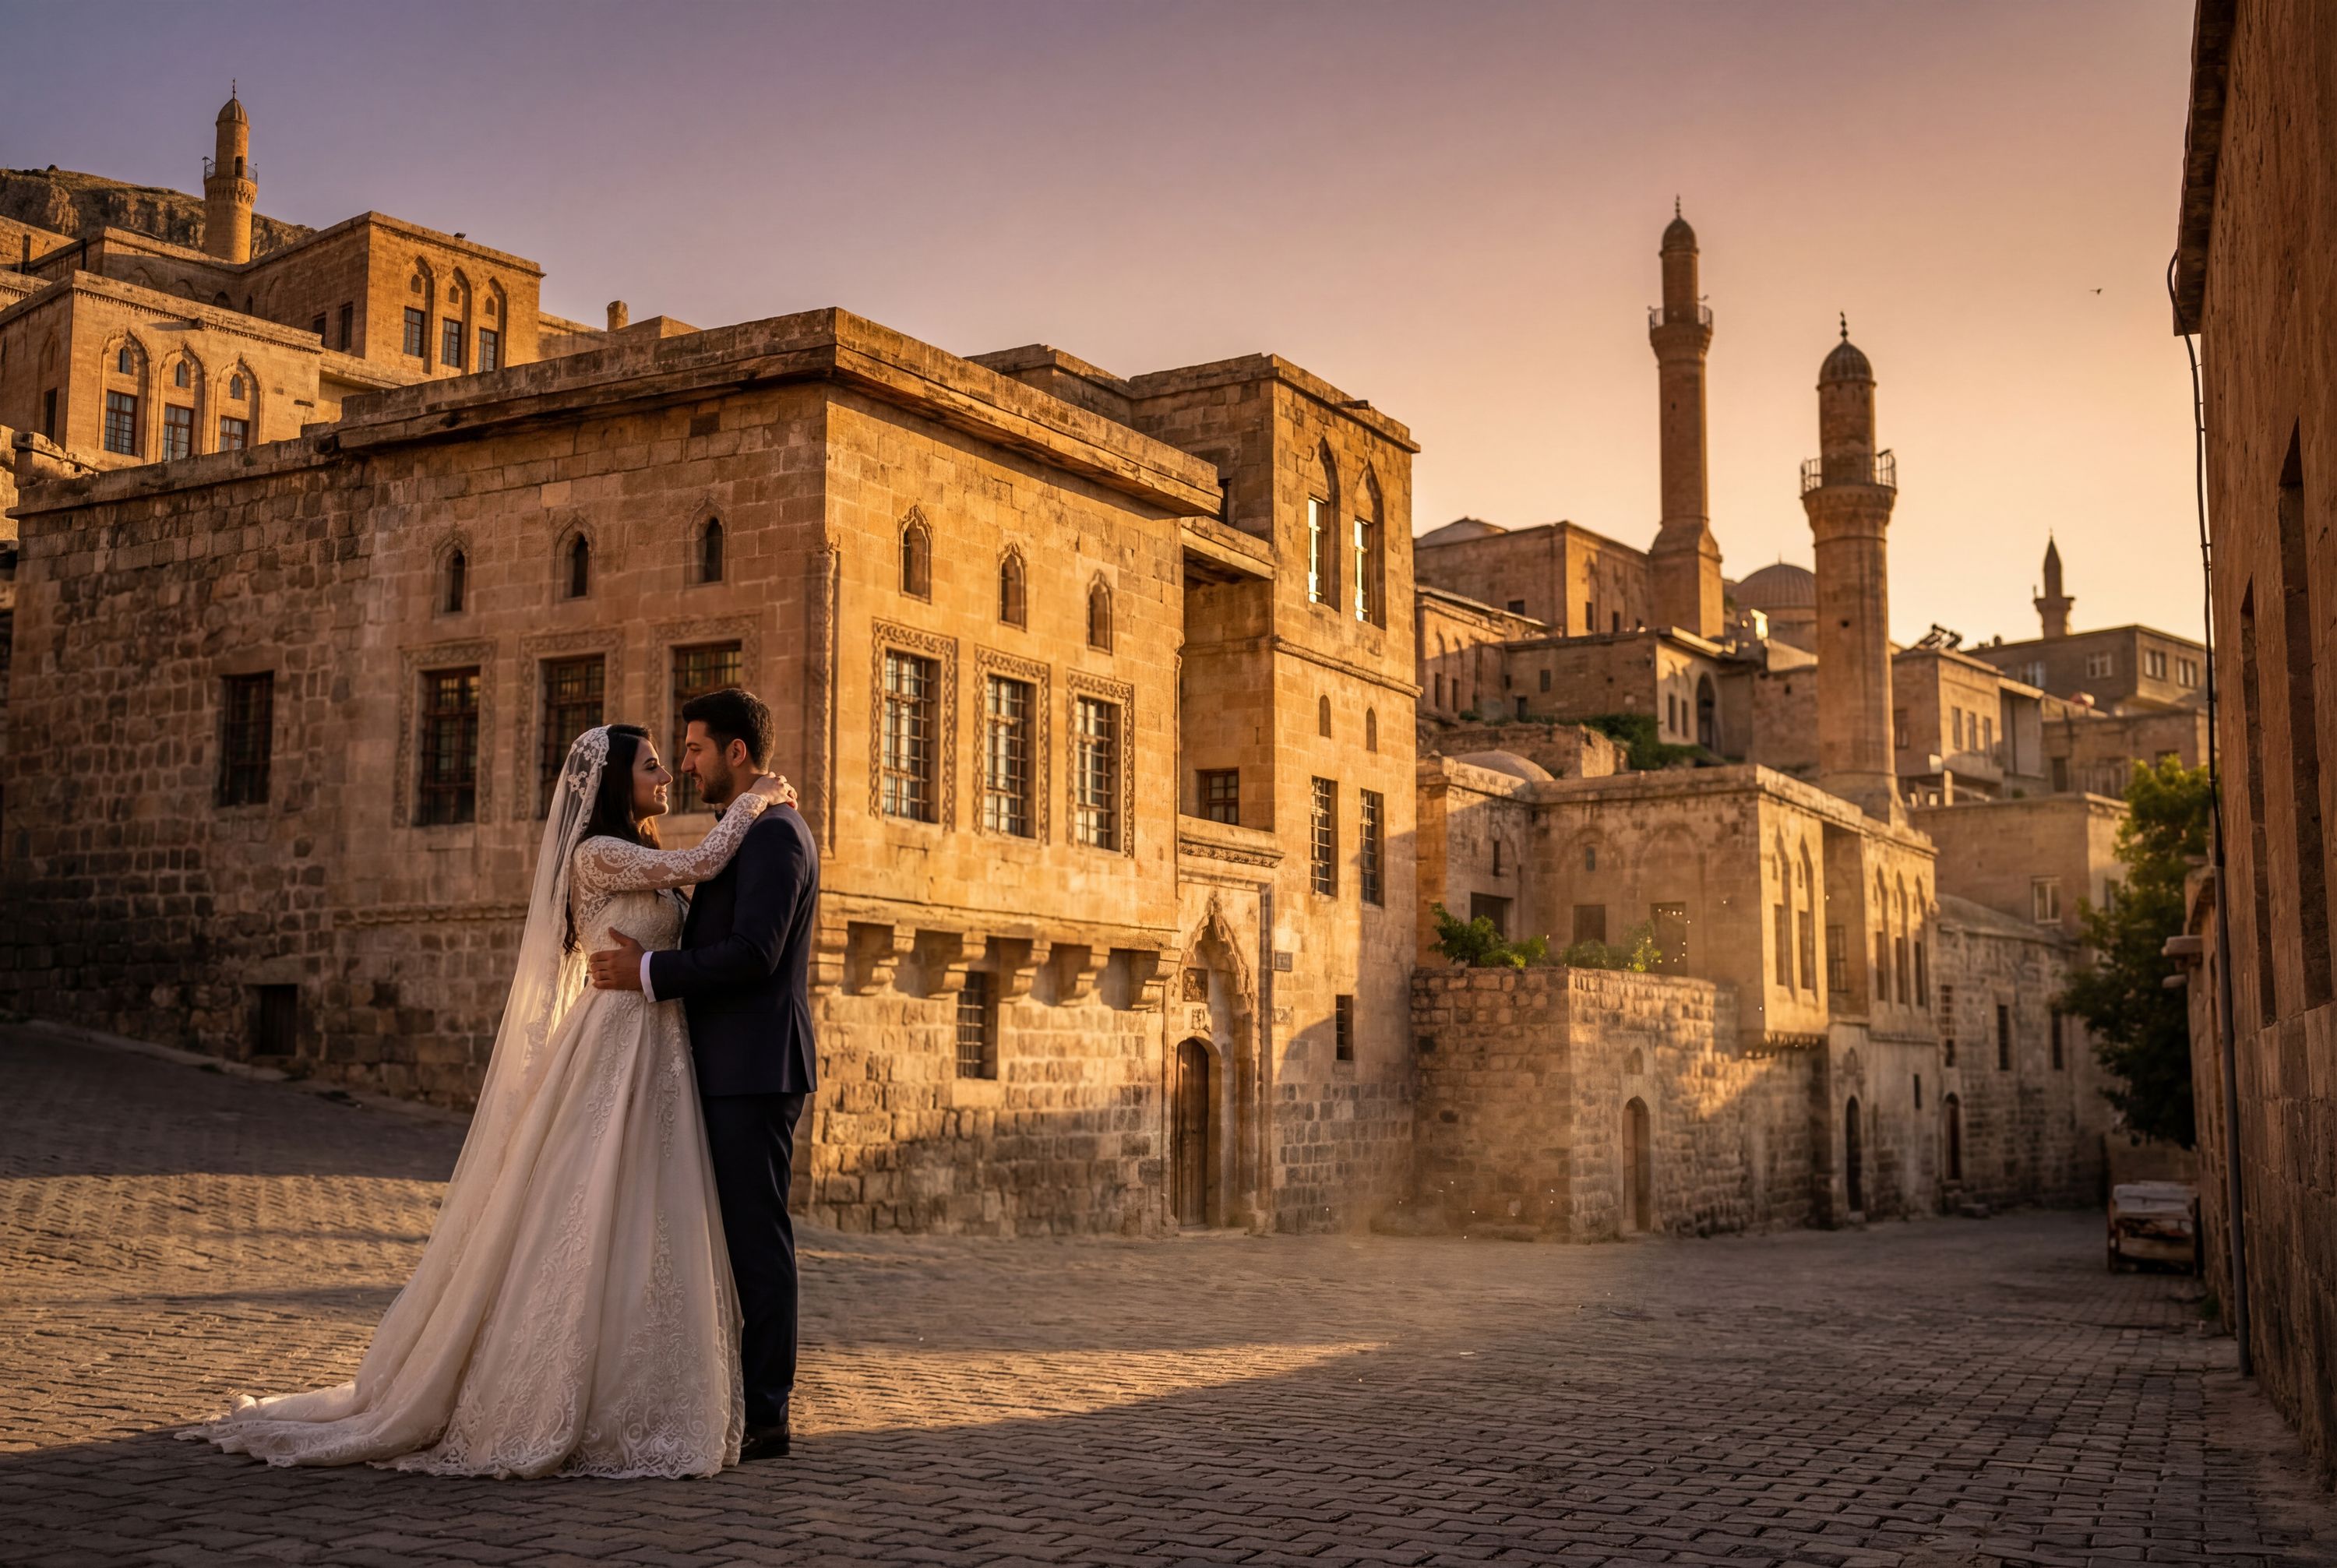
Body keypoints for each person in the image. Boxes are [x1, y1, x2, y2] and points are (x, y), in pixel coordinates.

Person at [182, 724, 791, 1478]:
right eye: (652, 763)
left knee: (653, 1211)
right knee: (588, 1199)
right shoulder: (597, 852)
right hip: (616, 1040)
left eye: (673, 758)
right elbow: (704, 859)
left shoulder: (643, 852)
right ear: (613, 783)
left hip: (660, 1046)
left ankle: (652, 1384)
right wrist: (758, 799)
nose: (667, 771)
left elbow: (687, 878)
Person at [586, 688, 820, 1464]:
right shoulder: (737, 832)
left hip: (752, 1072)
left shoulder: (778, 836)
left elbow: (754, 954)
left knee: (756, 1243)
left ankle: (767, 1415)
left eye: (692, 749)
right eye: (673, 755)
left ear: (737, 753)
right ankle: (719, 1396)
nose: (684, 765)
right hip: (713, 1069)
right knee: (713, 1242)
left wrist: (650, 969)